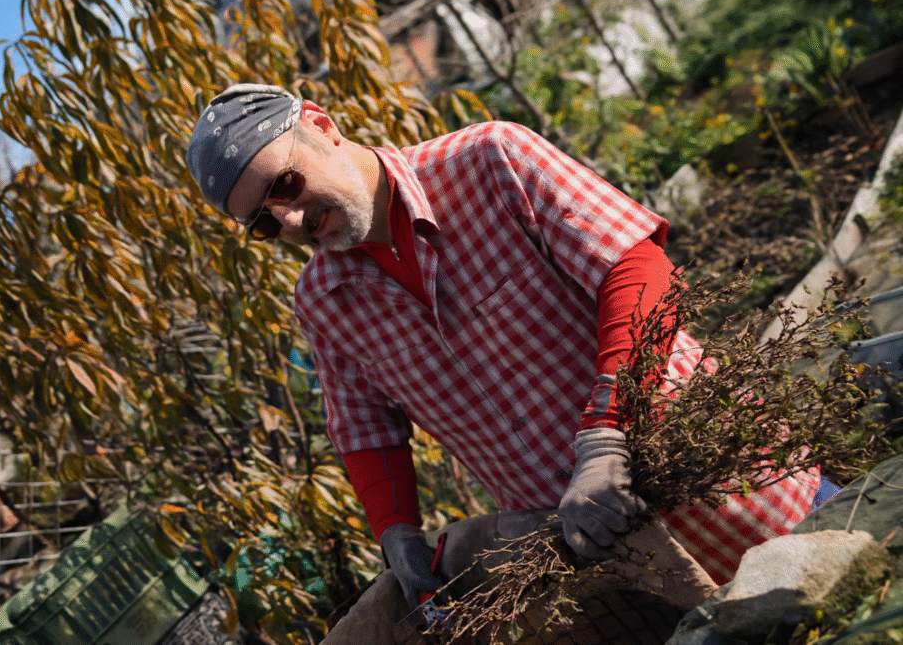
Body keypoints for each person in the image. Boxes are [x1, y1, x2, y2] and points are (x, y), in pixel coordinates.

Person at [185, 83, 822, 601]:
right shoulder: (325, 302)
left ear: (322, 126)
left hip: (737, 491)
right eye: (265, 223)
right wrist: (395, 531)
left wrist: (607, 433)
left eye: (285, 186)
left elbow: (637, 271)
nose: (291, 220)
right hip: (616, 564)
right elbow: (364, 431)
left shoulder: (492, 161)